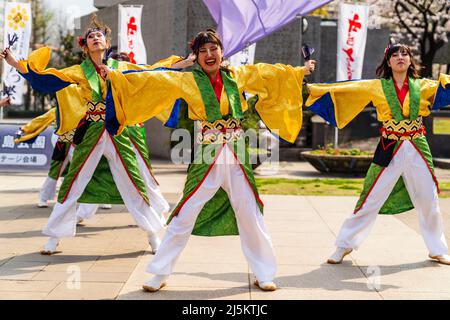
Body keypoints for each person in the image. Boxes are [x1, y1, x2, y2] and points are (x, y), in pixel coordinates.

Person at [102, 28, 316, 292]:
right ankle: (159, 272)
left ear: (222, 52)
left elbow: (269, 73)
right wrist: (116, 76)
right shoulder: (188, 81)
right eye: (202, 51)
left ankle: (263, 272)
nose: (208, 54)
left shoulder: (237, 76)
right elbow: (154, 79)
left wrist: (300, 71)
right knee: (184, 215)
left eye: (213, 48)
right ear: (196, 56)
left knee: (249, 212)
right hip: (206, 154)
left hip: (236, 153)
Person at [0, 14, 183, 255]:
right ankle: (54, 238)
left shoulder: (121, 67)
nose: (96, 37)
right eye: (90, 37)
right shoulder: (79, 71)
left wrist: (181, 63)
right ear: (85, 47)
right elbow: (47, 78)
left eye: (99, 36)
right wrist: (14, 63)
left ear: (107, 44)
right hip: (92, 129)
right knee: (74, 180)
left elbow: (151, 71)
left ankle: (152, 235)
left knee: (133, 179)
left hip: (116, 129)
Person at [305, 43, 450, 265]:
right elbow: (345, 89)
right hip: (389, 146)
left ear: (410, 60)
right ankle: (344, 245)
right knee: (370, 197)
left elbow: (445, 87)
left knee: (429, 198)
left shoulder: (423, 86)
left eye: (405, 54)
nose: (400, 57)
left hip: (418, 146)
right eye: (395, 54)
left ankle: (437, 248)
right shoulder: (376, 86)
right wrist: (311, 87)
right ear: (388, 61)